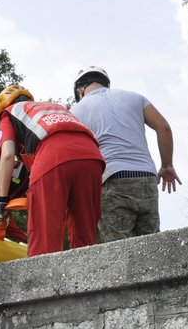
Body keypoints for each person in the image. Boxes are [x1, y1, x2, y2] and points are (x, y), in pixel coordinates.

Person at [0, 85, 105, 256]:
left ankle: (41, 281)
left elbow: (7, 155)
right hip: (92, 157)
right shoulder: (55, 108)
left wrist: (1, 201)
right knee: (85, 236)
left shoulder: (9, 113)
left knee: (45, 235)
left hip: (53, 155)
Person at [70, 65, 181, 240]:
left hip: (111, 180)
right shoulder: (135, 97)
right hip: (146, 178)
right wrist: (167, 165)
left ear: (80, 90)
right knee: (151, 249)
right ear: (105, 83)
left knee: (119, 252)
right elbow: (164, 127)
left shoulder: (76, 111)